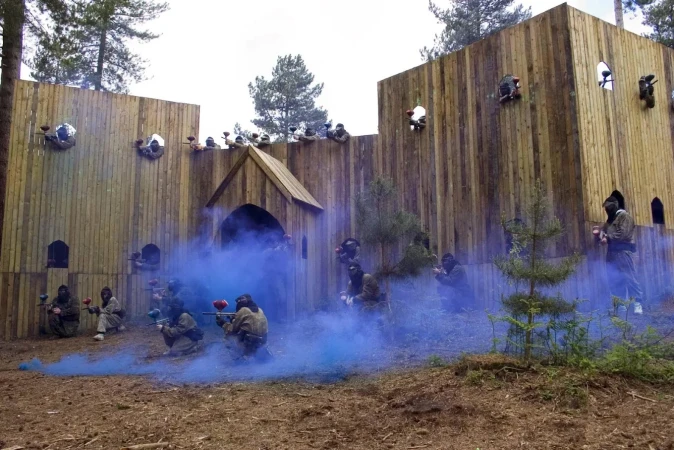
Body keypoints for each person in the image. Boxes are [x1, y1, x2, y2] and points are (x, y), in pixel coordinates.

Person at [599, 196, 643, 314]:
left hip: (624, 252)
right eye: (606, 208)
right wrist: (599, 233)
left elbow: (623, 234)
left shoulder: (625, 217)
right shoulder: (610, 221)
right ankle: (621, 305)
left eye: (608, 207)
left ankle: (637, 304)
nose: (607, 210)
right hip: (612, 254)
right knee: (615, 279)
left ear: (614, 206)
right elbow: (603, 232)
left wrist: (607, 238)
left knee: (629, 278)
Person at [217, 294, 269, 361]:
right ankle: (258, 355)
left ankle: (239, 360)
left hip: (248, 342)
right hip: (262, 342)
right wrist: (233, 319)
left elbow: (232, 329)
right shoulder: (260, 310)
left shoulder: (243, 310)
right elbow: (248, 321)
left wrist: (222, 323)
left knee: (228, 339)